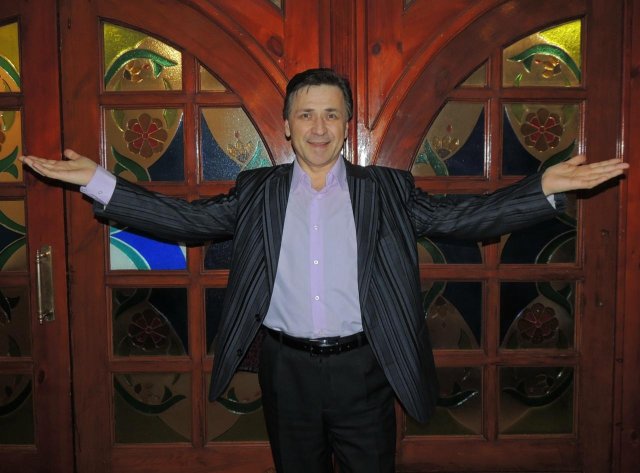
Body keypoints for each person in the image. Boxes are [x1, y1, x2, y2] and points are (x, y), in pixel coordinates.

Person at [20, 68, 628, 473]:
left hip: (366, 366)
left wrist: (543, 187)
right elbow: (186, 221)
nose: (318, 127)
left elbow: (462, 218)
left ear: (347, 125)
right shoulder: (257, 189)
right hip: (285, 368)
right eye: (306, 114)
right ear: (287, 125)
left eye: (331, 115)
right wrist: (99, 181)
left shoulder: (385, 189)